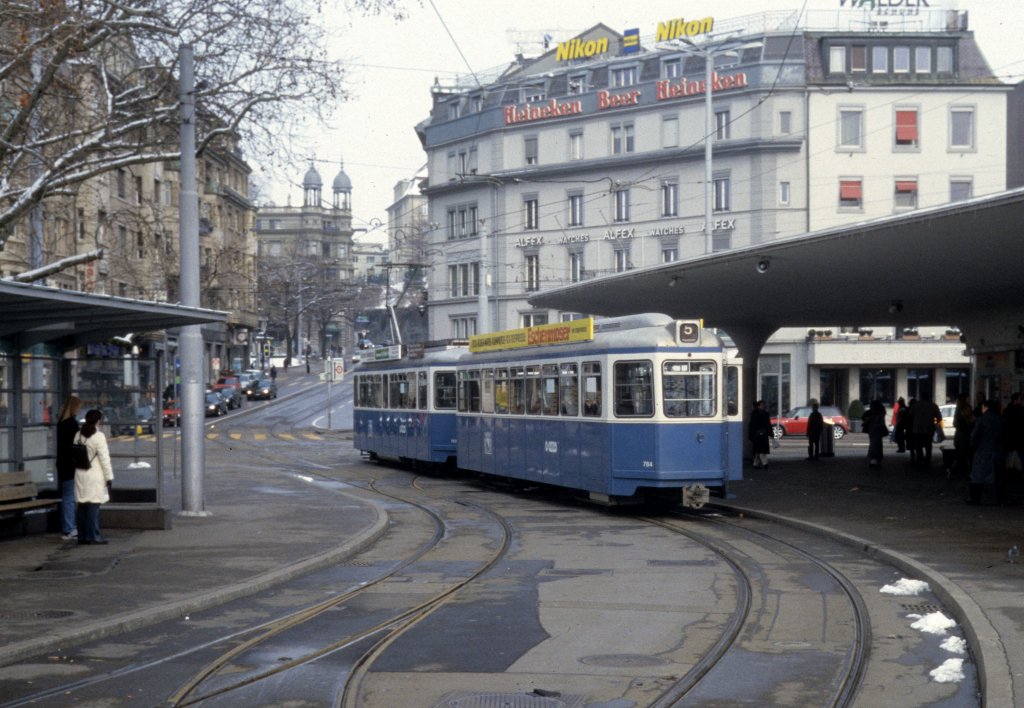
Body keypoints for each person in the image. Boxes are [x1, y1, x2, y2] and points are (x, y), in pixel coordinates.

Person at [74, 409, 114, 545]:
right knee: (93, 506)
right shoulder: (98, 436)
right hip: (94, 474)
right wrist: (109, 477)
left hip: (80, 473)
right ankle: (93, 536)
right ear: (98, 421)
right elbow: (104, 459)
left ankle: (82, 536)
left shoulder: (78, 434)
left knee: (82, 505)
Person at [55, 395, 84, 540]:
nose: (79, 410)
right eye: (78, 407)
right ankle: (68, 528)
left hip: (62, 464)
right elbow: (76, 445)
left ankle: (69, 527)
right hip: (70, 465)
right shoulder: (71, 424)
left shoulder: (61, 422)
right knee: (69, 497)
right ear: (73, 407)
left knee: (67, 495)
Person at [969, 399, 1004, 505]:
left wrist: (972, 448)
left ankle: (975, 499)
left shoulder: (981, 419)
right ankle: (1000, 500)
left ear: (985, 407)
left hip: (982, 451)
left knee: (978, 477)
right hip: (997, 451)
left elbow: (974, 436)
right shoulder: (1001, 419)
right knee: (998, 477)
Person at [911, 394, 942, 467]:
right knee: (928, 446)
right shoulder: (933, 406)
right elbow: (939, 418)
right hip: (928, 429)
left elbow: (911, 415)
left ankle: (919, 459)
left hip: (917, 429)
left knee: (918, 446)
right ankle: (927, 460)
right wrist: (934, 423)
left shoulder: (915, 405)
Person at [952, 395, 975, 477]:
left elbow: (970, 422)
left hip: (963, 435)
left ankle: (964, 470)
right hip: (963, 435)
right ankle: (965, 470)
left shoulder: (963, 409)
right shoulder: (962, 409)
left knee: (963, 453)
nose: (957, 403)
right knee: (963, 453)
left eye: (958, 401)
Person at [749, 399, 772, 469]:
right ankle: (765, 463)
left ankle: (756, 464)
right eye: (762, 405)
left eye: (763, 405)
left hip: (760, 434)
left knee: (759, 450)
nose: (763, 406)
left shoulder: (756, 413)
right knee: (761, 450)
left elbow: (768, 424)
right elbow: (752, 425)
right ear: (758, 406)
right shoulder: (757, 414)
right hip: (758, 434)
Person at [865, 399, 888, 467]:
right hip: (879, 430)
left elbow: (867, 418)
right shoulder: (882, 411)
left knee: (873, 445)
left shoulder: (873, 412)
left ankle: (873, 461)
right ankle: (878, 460)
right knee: (878, 445)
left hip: (873, 430)